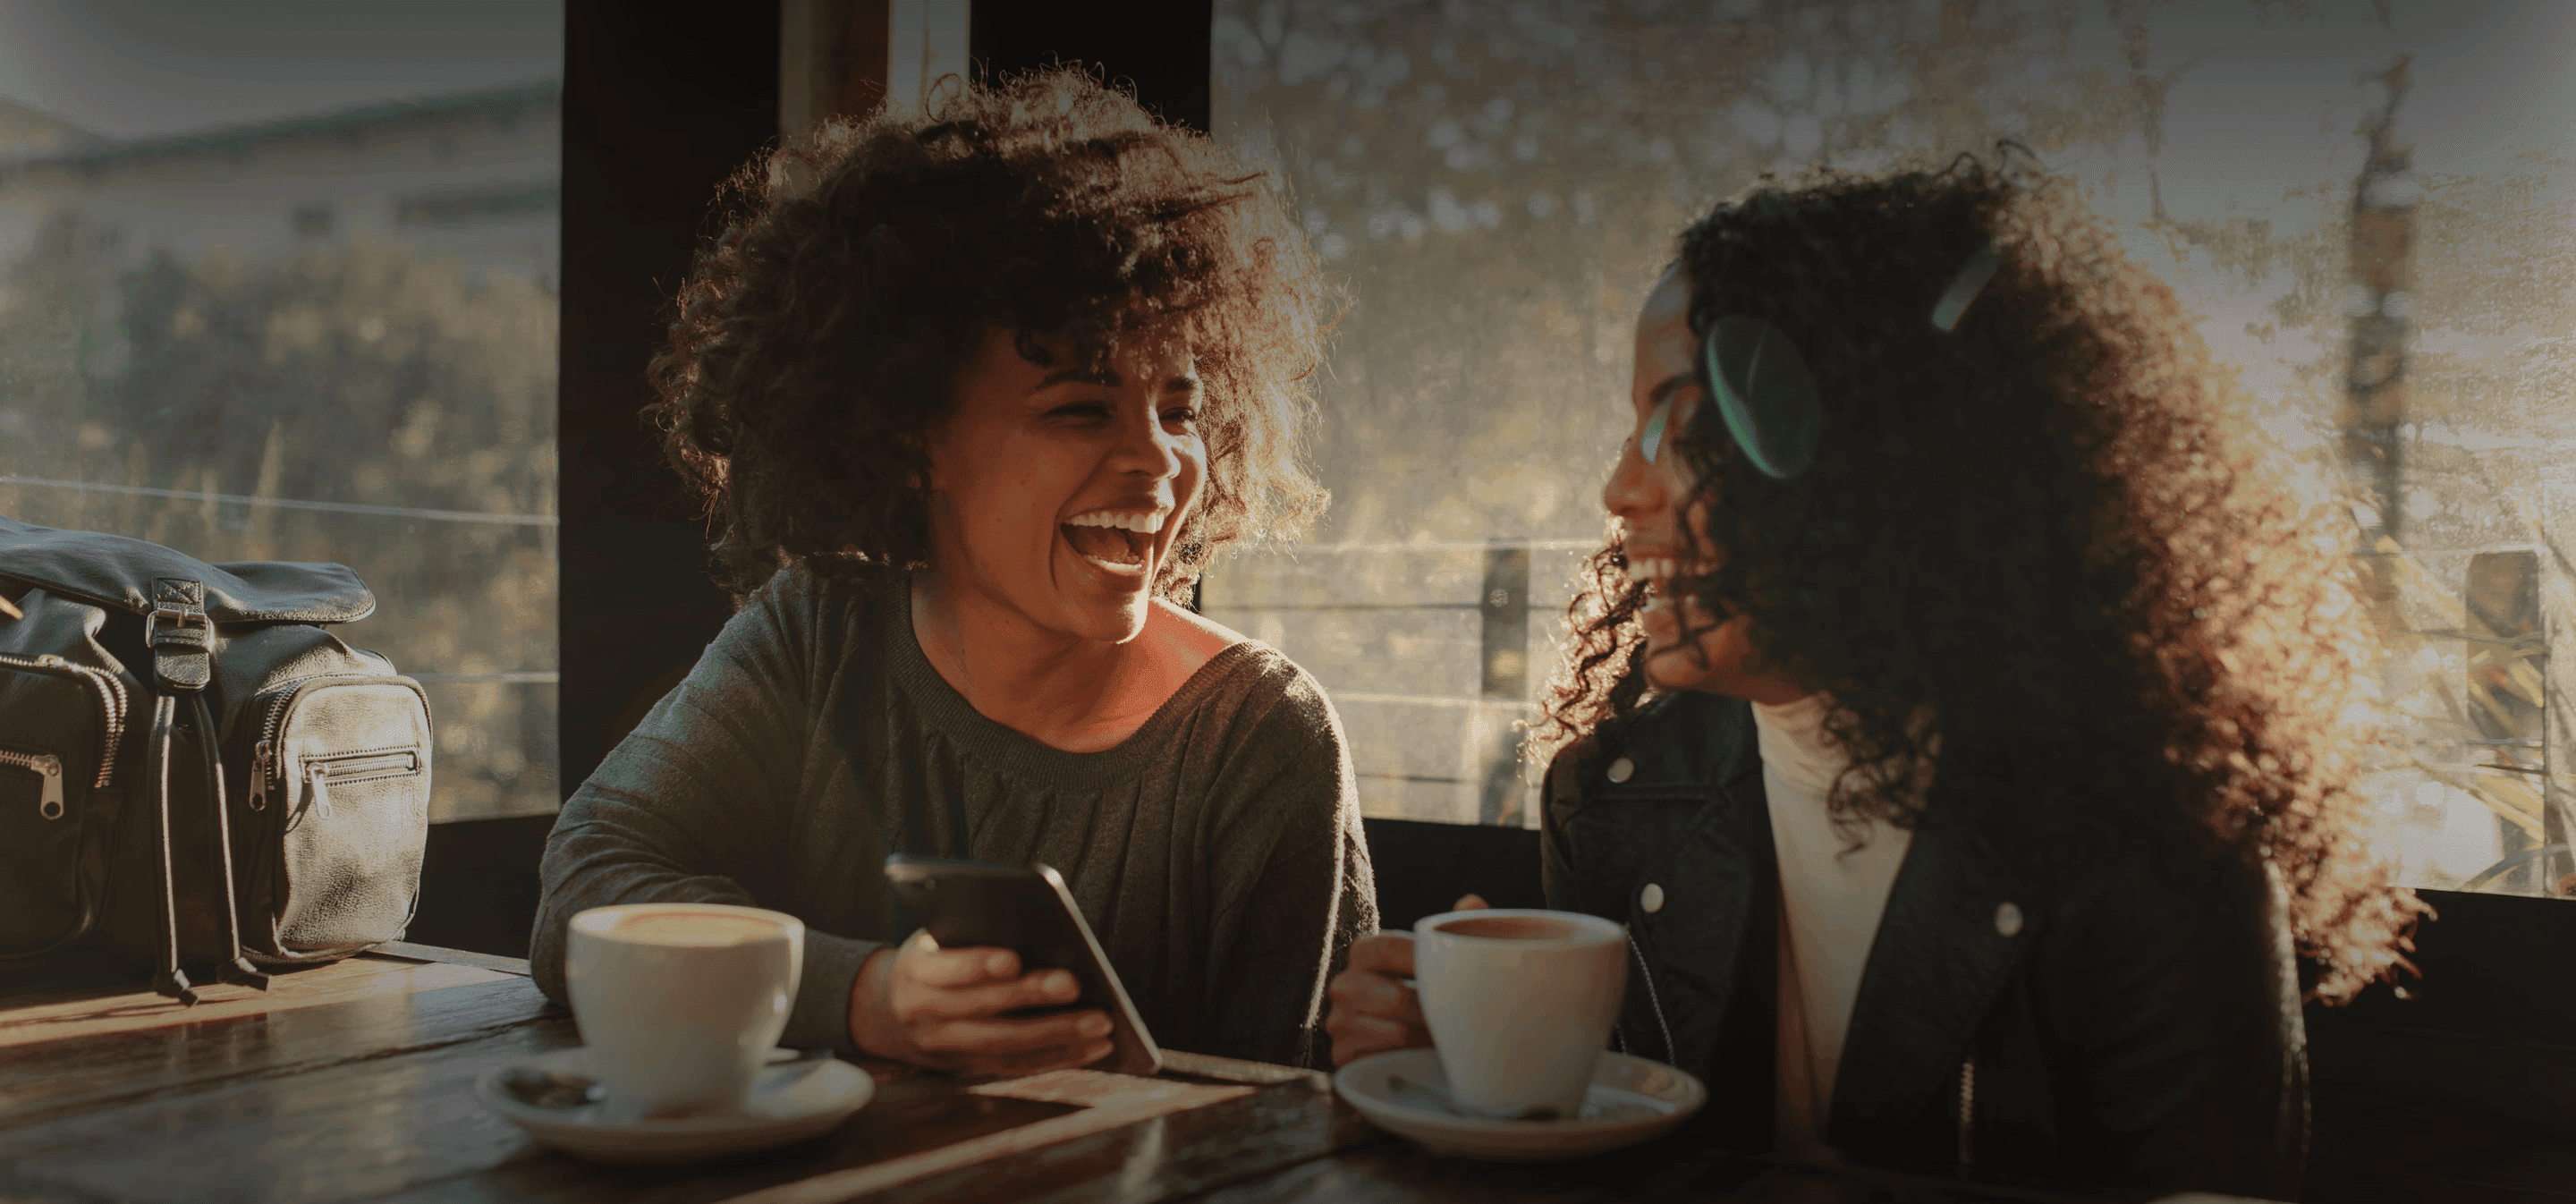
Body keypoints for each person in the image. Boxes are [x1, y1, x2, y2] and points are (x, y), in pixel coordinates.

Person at [1326, 159, 2425, 1197]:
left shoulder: (2146, 837)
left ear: (1875, 455)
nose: (1621, 485)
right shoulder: (1613, 795)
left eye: (1683, 423)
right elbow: (1603, 1161)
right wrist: (1466, 1074)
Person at [532, 70, 1376, 1075]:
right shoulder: (818, 637)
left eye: (1181, 410)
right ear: (910, 432)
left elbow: (1297, 1119)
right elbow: (585, 889)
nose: (1159, 460)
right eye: (1080, 405)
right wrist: (863, 994)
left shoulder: (1260, 735)